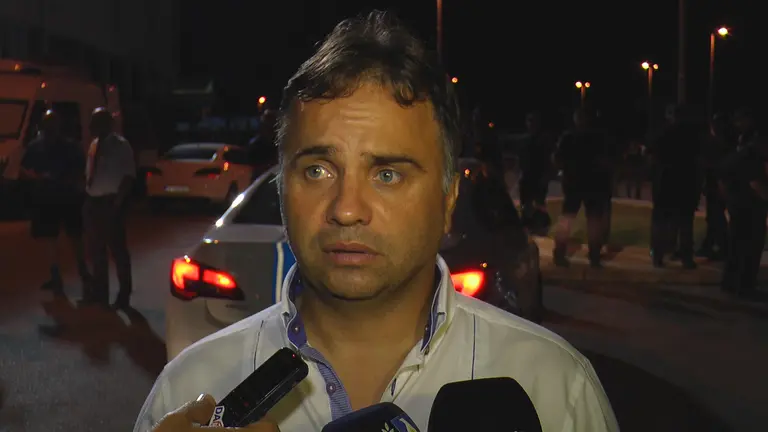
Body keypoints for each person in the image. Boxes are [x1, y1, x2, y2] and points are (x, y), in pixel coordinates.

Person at [135, 11, 618, 432]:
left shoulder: (554, 389)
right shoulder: (188, 393)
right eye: (318, 170)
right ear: (282, 188)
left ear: (448, 199)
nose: (346, 209)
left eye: (387, 174)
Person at [19, 110, 90, 294]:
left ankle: (73, 274)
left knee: (66, 237)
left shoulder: (58, 146)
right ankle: (71, 274)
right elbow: (24, 169)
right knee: (64, 237)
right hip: (55, 198)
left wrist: (38, 178)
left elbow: (23, 170)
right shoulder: (61, 146)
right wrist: (36, 177)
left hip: (58, 197)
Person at [82, 108, 135, 309]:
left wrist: (117, 203)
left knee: (117, 250)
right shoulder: (94, 144)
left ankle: (124, 294)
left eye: (95, 122)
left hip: (110, 202)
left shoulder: (121, 145)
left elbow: (129, 175)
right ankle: (100, 294)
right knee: (96, 250)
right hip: (93, 202)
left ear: (106, 124)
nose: (91, 126)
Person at [552, 108, 614, 268]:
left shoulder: (568, 137)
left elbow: (557, 159)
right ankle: (594, 256)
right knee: (593, 221)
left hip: (573, 184)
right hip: (593, 184)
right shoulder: (598, 138)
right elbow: (606, 161)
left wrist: (565, 171)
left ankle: (560, 253)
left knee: (567, 219)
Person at [647, 105, 703, 269]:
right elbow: (698, 161)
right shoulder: (692, 135)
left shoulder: (660, 134)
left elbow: (651, 158)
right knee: (685, 222)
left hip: (664, 182)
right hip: (686, 182)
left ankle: (658, 255)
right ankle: (686, 257)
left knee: (661, 220)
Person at [719, 107, 767, 298]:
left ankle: (730, 282)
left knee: (736, 244)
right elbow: (756, 183)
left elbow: (722, 176)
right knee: (751, 245)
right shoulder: (754, 152)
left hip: (737, 203)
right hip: (750, 205)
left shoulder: (738, 150)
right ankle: (745, 286)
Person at [697, 113, 732, 260]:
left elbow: (711, 165)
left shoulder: (717, 143)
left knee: (715, 216)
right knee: (714, 216)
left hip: (716, 184)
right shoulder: (725, 142)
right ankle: (710, 245)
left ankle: (722, 247)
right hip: (717, 183)